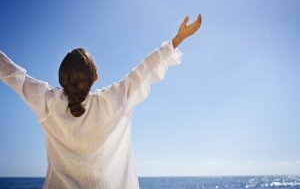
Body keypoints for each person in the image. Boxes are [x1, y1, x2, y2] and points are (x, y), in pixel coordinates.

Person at [0, 14, 202, 189]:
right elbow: (145, 69)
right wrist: (178, 38)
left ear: (62, 79)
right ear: (95, 76)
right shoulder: (114, 100)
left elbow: (13, 74)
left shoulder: (46, 101)